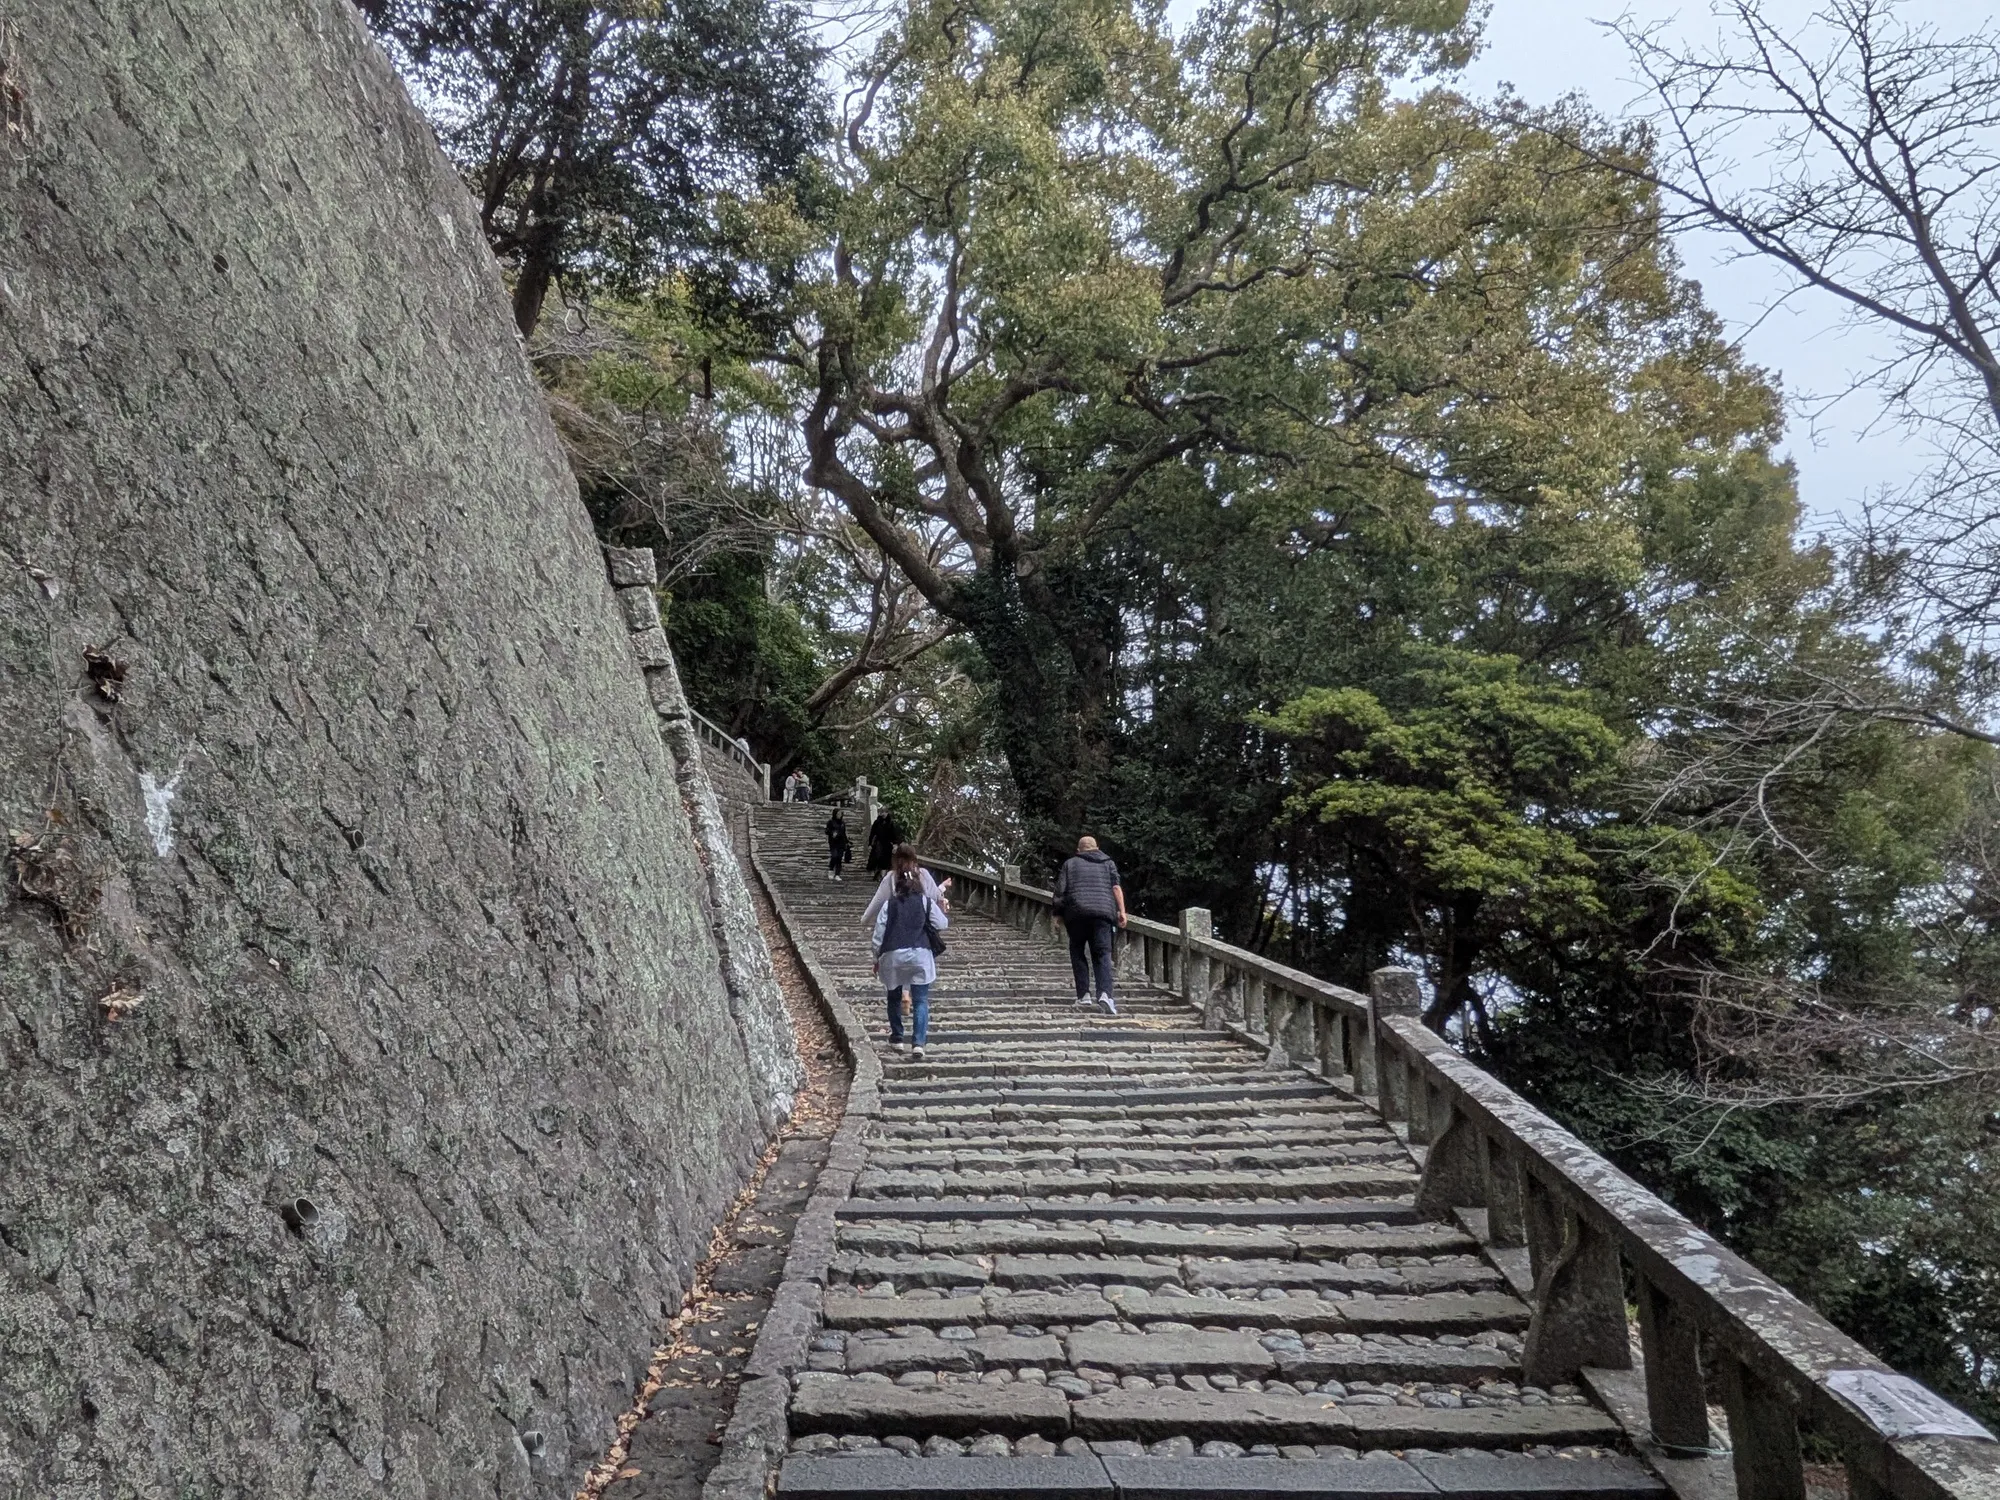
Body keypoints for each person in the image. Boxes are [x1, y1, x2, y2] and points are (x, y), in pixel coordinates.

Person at [871, 845, 949, 1058]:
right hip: (921, 953)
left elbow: (878, 934)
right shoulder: (925, 902)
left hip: (893, 954)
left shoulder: (890, 904)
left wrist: (876, 957)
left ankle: (897, 1038)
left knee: (894, 996)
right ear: (917, 885)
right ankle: (918, 1043)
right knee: (921, 999)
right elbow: (942, 924)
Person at [1053, 835, 1126, 1015]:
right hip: (1103, 914)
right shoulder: (1108, 863)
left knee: (1077, 951)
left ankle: (1084, 995)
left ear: (1079, 850)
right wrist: (1122, 911)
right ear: (1097, 848)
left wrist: (1056, 914)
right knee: (1102, 954)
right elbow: (1116, 888)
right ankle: (1105, 994)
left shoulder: (1070, 864)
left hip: (1076, 913)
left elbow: (1060, 891)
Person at [861, 843, 950, 927]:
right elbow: (933, 897)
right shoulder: (923, 874)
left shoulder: (891, 877)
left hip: (898, 927)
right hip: (921, 927)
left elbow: (878, 900)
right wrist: (942, 888)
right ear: (914, 859)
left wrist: (865, 919)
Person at [864, 808, 901, 878]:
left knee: (885, 861)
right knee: (875, 858)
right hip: (878, 843)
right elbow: (872, 834)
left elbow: (894, 835)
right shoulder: (877, 822)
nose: (883, 814)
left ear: (887, 813)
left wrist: (895, 844)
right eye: (882, 812)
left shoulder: (891, 823)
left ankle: (883, 875)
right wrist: (870, 844)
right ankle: (876, 873)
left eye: (885, 812)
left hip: (887, 844)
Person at [825, 807, 852, 881]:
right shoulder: (831, 822)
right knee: (834, 856)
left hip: (841, 842)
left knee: (839, 858)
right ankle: (831, 870)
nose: (839, 815)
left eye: (841, 814)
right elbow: (827, 831)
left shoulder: (842, 823)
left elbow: (843, 833)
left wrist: (847, 842)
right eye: (838, 814)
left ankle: (837, 874)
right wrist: (832, 833)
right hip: (833, 842)